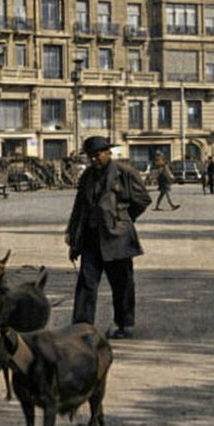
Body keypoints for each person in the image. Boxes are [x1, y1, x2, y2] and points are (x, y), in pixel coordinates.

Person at [65, 136, 152, 339]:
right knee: (86, 284)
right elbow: (79, 209)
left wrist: (122, 219)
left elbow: (143, 199)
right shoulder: (87, 176)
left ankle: (124, 324)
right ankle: (82, 327)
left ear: (108, 153)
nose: (94, 160)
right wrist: (73, 239)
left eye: (97, 155)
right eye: (90, 157)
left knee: (122, 284)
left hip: (117, 239)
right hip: (91, 239)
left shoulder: (124, 173)